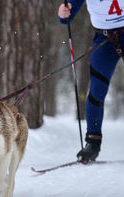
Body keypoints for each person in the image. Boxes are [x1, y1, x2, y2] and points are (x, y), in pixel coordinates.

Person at [58, 0, 124, 162]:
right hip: (104, 39)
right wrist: (63, 13)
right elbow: (67, 15)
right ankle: (92, 144)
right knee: (96, 91)